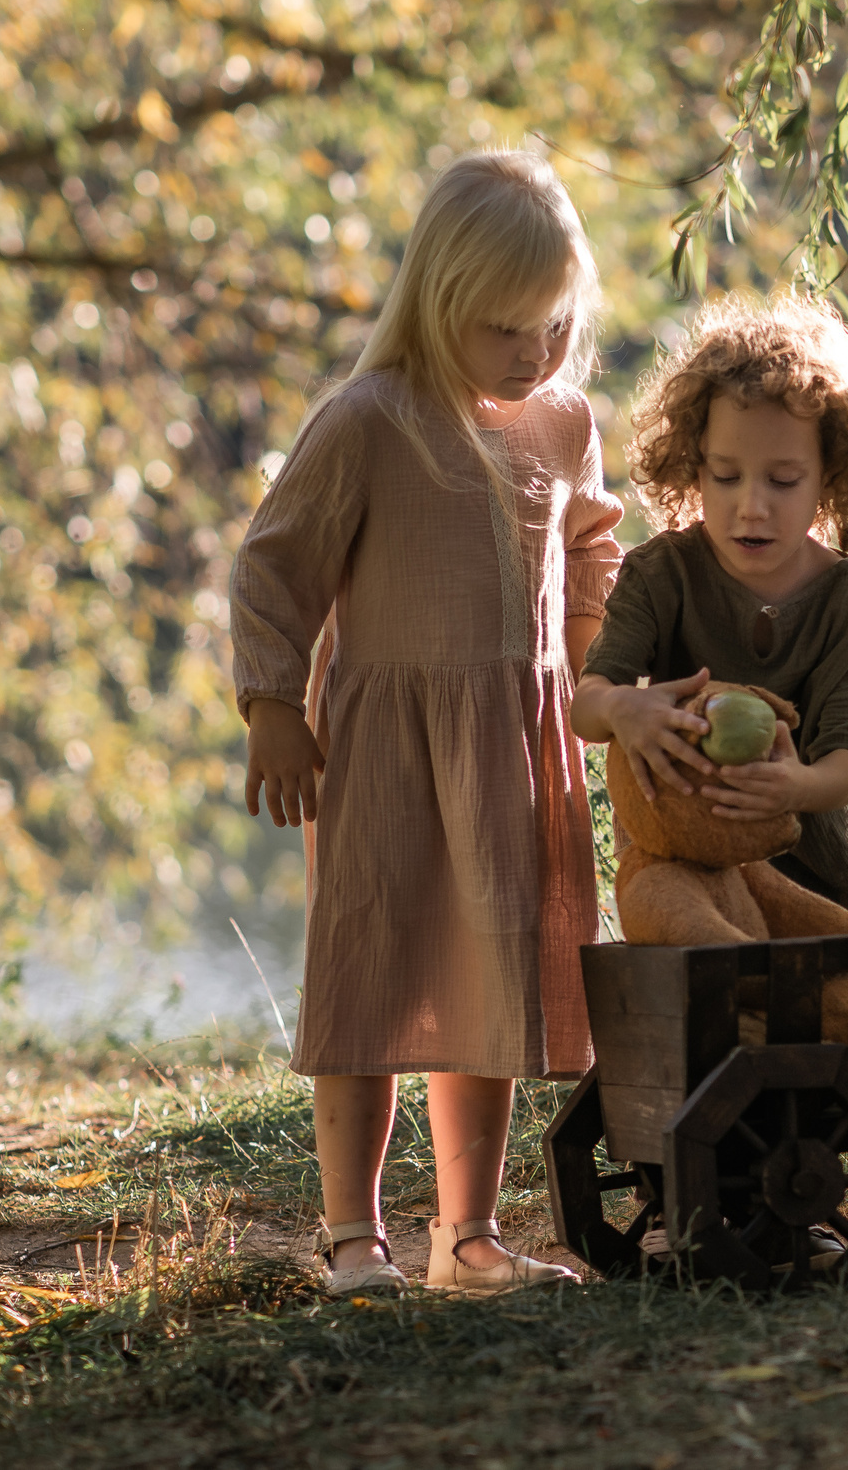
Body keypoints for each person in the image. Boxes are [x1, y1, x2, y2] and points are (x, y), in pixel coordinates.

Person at [233, 151, 624, 1298]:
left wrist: (596, 667)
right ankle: (352, 1235)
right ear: (435, 300)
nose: (534, 350)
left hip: (515, 749)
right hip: (388, 749)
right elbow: (274, 566)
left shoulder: (563, 423)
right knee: (372, 965)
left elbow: (593, 546)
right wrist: (271, 704)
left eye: (553, 323)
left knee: (489, 977)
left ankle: (468, 1236)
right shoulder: (370, 420)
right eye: (503, 327)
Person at [573, 291, 848, 922]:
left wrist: (797, 787)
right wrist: (622, 708)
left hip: (826, 889)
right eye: (726, 477)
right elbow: (587, 705)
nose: (751, 507)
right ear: (694, 468)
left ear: (829, 475)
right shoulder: (658, 575)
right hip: (696, 875)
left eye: (782, 481)